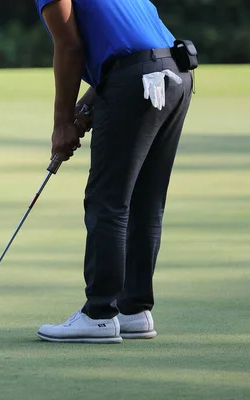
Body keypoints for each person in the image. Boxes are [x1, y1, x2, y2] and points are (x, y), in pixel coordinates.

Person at [34, 0, 196, 343]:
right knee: (144, 200)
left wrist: (62, 124)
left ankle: (99, 314)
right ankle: (134, 309)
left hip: (140, 77)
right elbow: (137, 46)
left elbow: (69, 46)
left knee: (107, 200)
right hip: (176, 73)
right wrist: (89, 104)